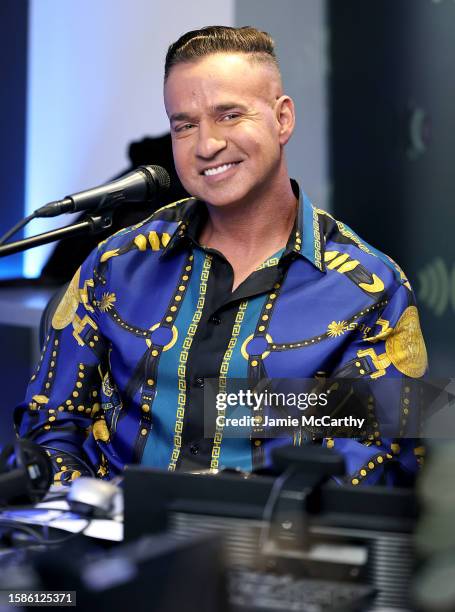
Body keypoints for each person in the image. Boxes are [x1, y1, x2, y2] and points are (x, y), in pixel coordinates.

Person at [15, 26, 427, 486]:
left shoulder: (366, 289)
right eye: (185, 125)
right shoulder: (117, 263)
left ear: (283, 119)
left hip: (274, 550)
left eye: (229, 115)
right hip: (105, 548)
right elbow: (50, 428)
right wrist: (85, 516)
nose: (206, 145)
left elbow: (370, 467)